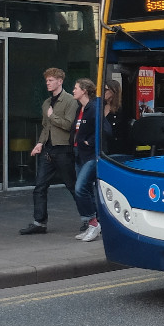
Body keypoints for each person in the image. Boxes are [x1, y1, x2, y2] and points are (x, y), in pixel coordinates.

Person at [19, 67, 79, 234]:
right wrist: (39, 143)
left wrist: (53, 116)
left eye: (51, 80)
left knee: (72, 186)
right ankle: (39, 222)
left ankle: (90, 218)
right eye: (47, 80)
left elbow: (69, 125)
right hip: (48, 149)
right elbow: (46, 127)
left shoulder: (70, 100)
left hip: (63, 149)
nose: (48, 83)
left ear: (60, 81)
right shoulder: (46, 103)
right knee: (40, 186)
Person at [71, 78, 101, 242]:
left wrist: (89, 141)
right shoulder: (80, 109)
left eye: (76, 88)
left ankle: (94, 223)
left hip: (90, 155)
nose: (73, 91)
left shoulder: (93, 108)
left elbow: (102, 129)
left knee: (80, 188)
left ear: (84, 90)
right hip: (79, 153)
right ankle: (91, 224)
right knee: (87, 189)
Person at [102, 80, 125, 152]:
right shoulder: (100, 106)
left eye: (105, 90)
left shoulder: (120, 109)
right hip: (101, 145)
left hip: (114, 146)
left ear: (113, 91)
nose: (103, 92)